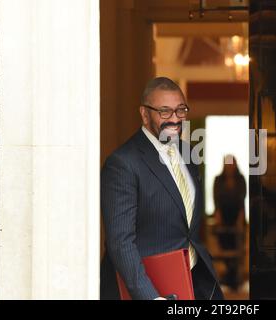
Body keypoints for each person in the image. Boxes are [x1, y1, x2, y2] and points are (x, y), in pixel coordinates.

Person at [100, 77, 223, 300]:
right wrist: (151, 298)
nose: (174, 119)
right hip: (145, 290)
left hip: (191, 284)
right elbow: (120, 243)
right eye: (164, 112)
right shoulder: (123, 163)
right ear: (144, 114)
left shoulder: (189, 155)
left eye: (181, 110)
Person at [213, 155, 246, 290]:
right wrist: (218, 215)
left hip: (236, 216)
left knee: (236, 246)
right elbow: (216, 199)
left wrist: (240, 218)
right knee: (225, 246)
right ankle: (228, 274)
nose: (229, 166)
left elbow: (242, 199)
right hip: (223, 216)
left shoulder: (240, 180)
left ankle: (233, 277)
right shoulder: (218, 180)